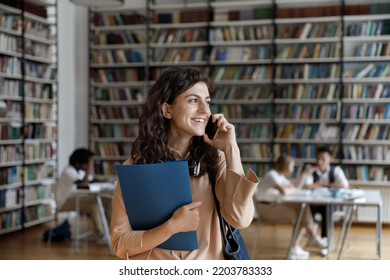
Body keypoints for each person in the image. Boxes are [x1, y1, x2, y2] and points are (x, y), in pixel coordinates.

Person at [110, 66, 259, 260]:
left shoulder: (215, 160)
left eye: (207, 102)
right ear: (166, 109)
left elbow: (240, 219)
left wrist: (231, 148)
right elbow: (120, 244)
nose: (205, 111)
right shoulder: (135, 168)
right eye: (193, 100)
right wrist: (170, 227)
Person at [254, 155, 327, 260]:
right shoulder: (272, 175)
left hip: (273, 205)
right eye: (292, 166)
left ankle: (301, 244)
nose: (293, 169)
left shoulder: (280, 176)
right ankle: (307, 240)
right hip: (266, 209)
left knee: (302, 208)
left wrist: (304, 174)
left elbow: (295, 187)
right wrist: (291, 189)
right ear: (285, 166)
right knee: (300, 214)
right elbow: (284, 191)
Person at [57, 148, 112, 243]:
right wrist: (88, 169)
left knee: (109, 200)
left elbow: (92, 179)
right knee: (94, 205)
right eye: (88, 163)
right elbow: (83, 184)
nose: (89, 166)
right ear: (79, 163)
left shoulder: (79, 171)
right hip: (66, 202)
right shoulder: (68, 171)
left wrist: (105, 180)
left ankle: (115, 230)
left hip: (78, 199)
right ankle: (101, 235)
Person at [304, 146, 349, 242]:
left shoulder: (336, 170)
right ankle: (315, 237)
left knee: (327, 208)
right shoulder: (311, 170)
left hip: (332, 204)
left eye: (323, 159)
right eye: (318, 159)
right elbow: (308, 185)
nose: (319, 162)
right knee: (304, 208)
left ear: (330, 159)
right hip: (315, 203)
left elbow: (344, 185)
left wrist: (322, 184)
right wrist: (331, 185)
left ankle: (325, 239)